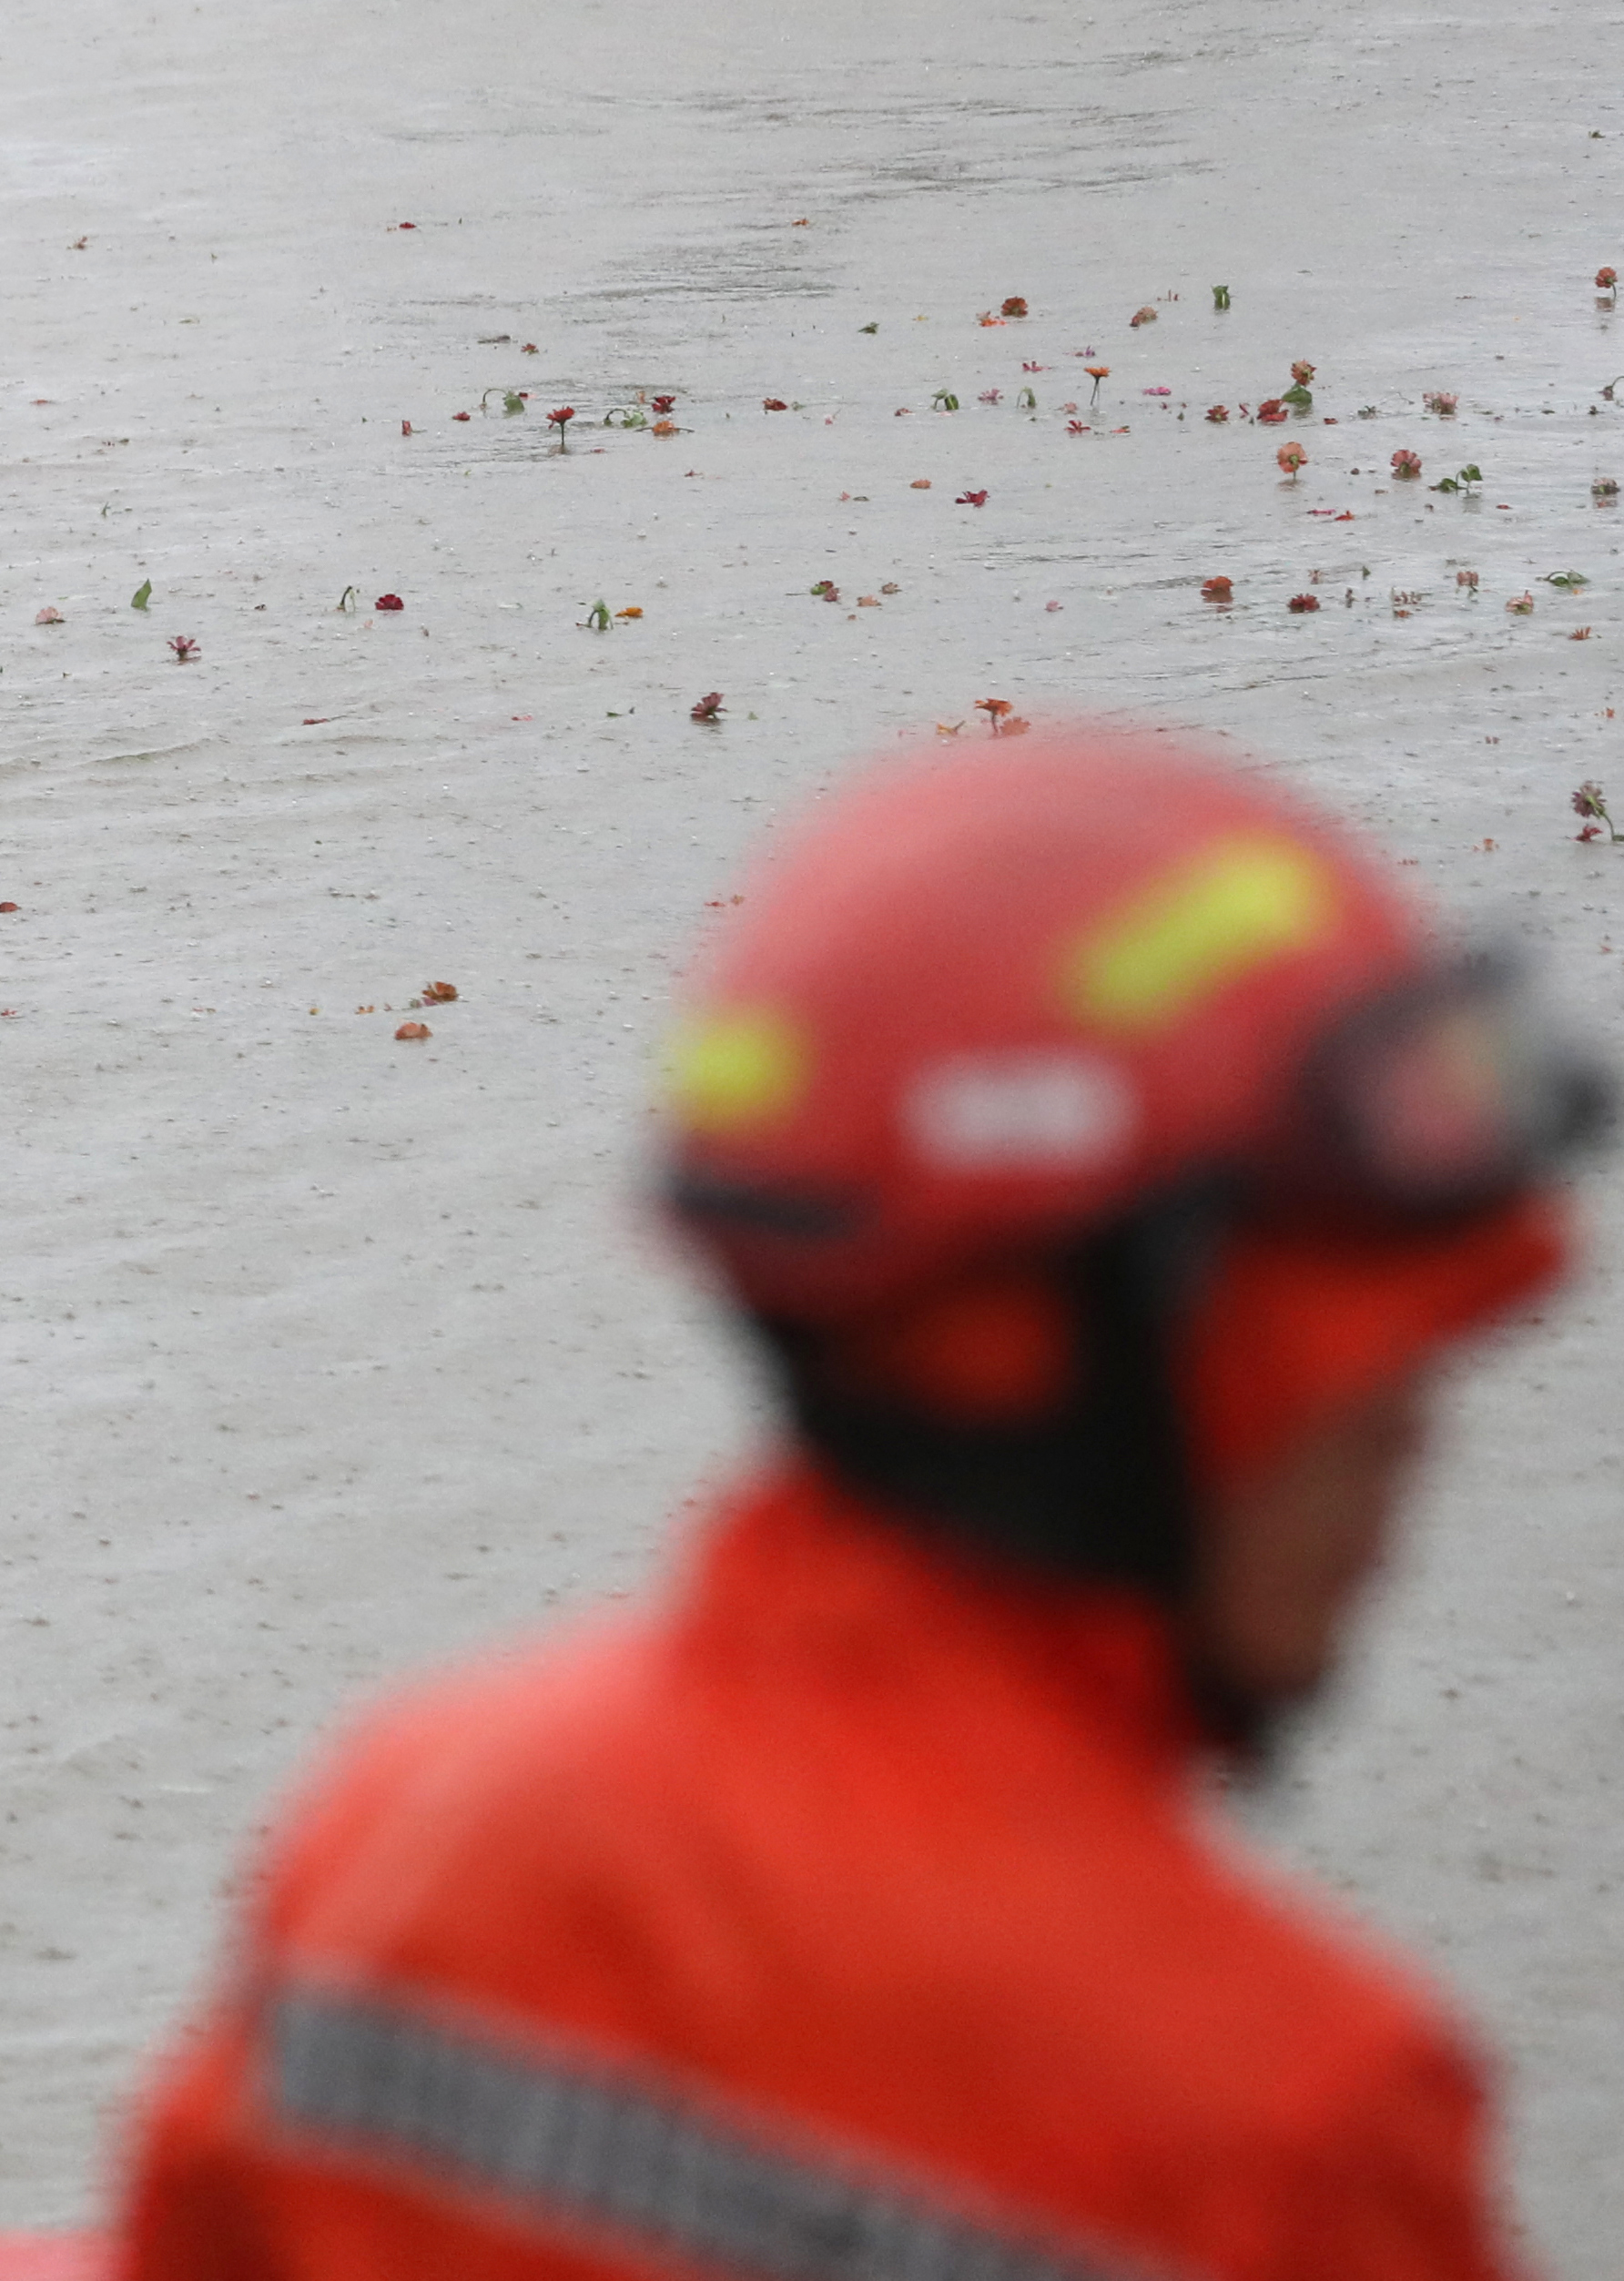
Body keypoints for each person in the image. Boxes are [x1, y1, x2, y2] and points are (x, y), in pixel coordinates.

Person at [113, 735, 1605, 2281]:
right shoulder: (1289, 2104)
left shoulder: (400, 1822)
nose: (1407, 1454)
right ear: (1065, 1368)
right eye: (1342, 1386)